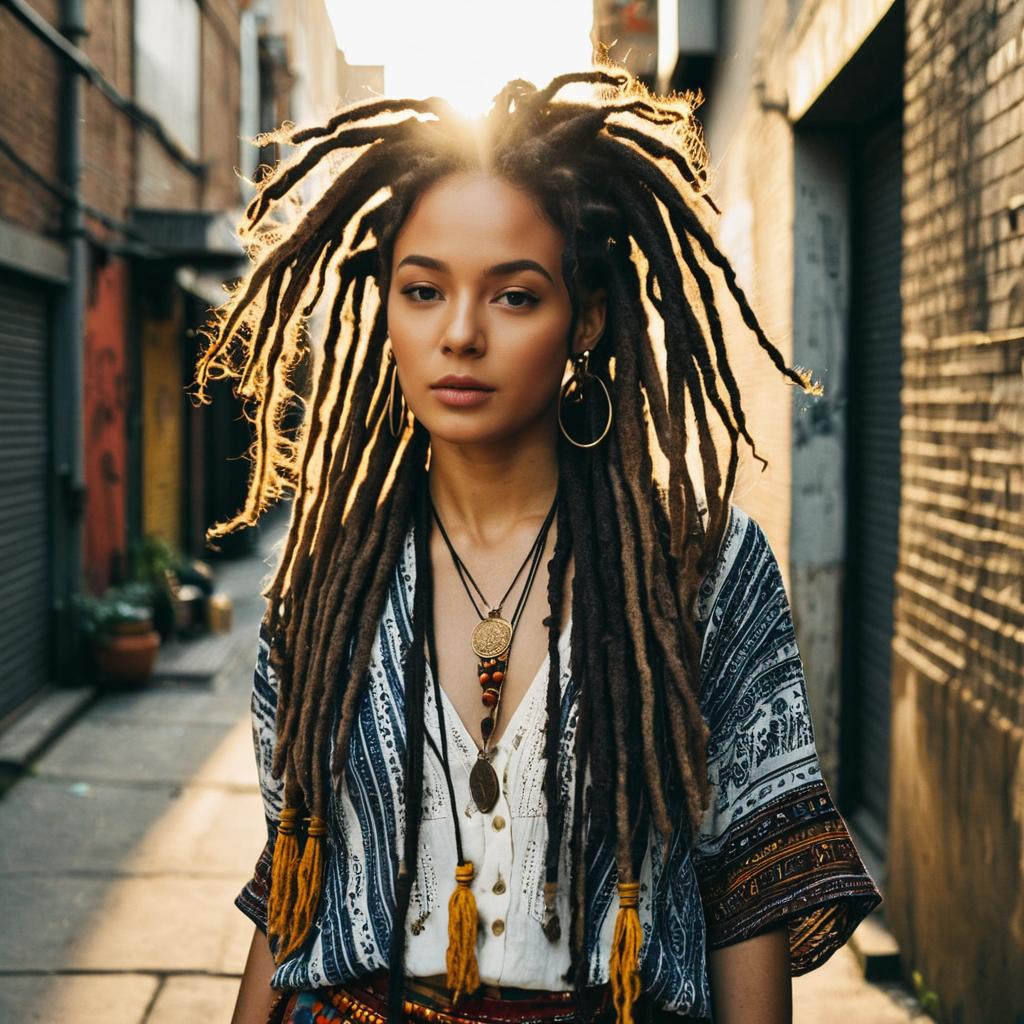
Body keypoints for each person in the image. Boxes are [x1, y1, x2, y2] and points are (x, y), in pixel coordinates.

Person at [200, 69, 881, 1024]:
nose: (461, 334)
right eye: (423, 290)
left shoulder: (697, 566)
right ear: (387, 311)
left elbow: (749, 887)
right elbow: (293, 879)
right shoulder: (320, 586)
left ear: (588, 318)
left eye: (514, 297)